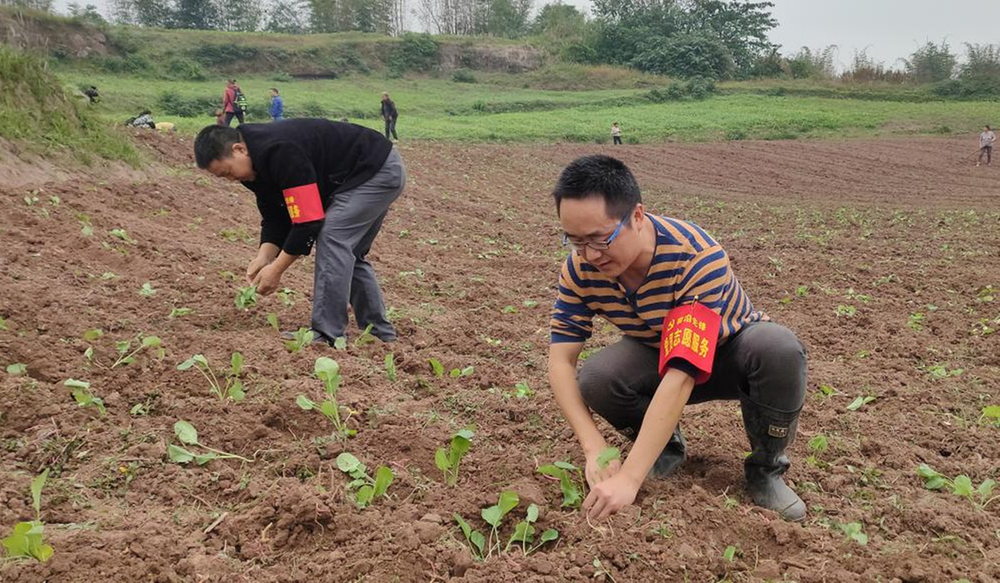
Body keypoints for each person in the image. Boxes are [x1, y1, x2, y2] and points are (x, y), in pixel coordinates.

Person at [547, 155, 808, 522]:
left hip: (731, 354)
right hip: (657, 351)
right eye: (574, 241)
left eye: (600, 239)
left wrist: (629, 480)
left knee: (778, 349)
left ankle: (767, 470)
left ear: (637, 216)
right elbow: (561, 362)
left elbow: (682, 371)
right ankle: (663, 448)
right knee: (598, 378)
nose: (590, 255)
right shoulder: (579, 272)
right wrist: (593, 448)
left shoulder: (694, 256)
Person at [193, 119, 405, 345]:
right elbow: (277, 214)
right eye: (223, 177)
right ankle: (379, 332)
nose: (231, 179)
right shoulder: (251, 166)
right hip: (366, 173)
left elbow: (308, 221)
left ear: (239, 149)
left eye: (227, 172)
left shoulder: (279, 150)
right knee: (348, 251)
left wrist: (277, 269)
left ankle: (327, 333)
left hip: (374, 170)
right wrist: (264, 257)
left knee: (333, 237)